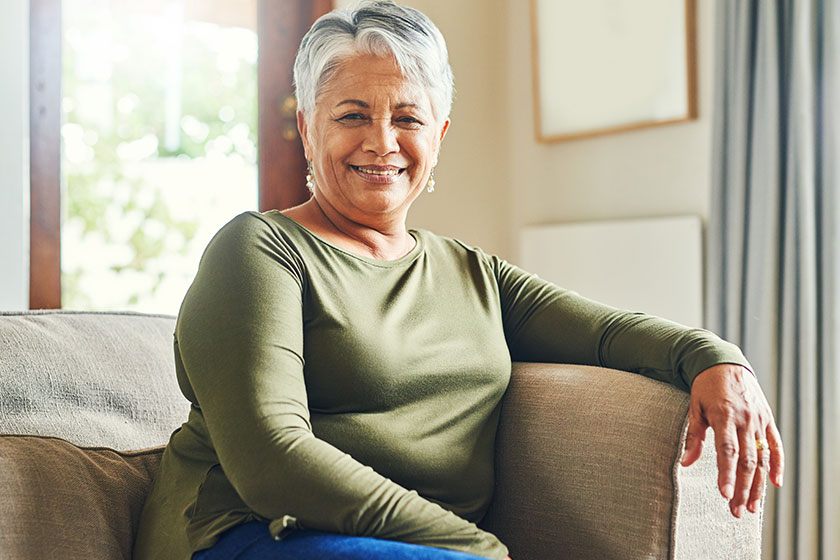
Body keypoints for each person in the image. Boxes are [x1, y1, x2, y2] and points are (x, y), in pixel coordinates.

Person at [133, 2, 784, 559]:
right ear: (307, 127)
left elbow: (611, 334)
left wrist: (715, 359)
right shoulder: (259, 250)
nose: (382, 141)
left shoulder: (473, 274)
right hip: (254, 536)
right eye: (352, 115)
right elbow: (273, 464)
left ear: (438, 136)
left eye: (408, 118)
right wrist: (473, 548)